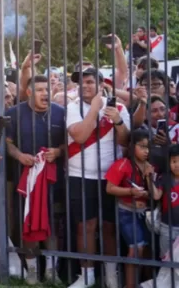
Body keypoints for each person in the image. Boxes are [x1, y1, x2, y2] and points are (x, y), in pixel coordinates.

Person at [66, 66, 130, 288]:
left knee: (109, 226)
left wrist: (118, 121)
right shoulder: (73, 107)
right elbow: (81, 135)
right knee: (86, 226)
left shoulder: (119, 107)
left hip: (112, 178)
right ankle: (87, 276)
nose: (84, 86)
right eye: (80, 82)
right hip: (80, 175)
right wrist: (95, 108)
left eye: (90, 82)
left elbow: (126, 142)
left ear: (101, 84)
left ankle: (111, 276)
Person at [5, 75, 66, 284]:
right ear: (29, 92)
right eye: (39, 90)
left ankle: (51, 270)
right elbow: (7, 143)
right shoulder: (14, 113)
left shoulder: (61, 113)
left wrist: (58, 152)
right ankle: (31, 271)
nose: (45, 94)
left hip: (53, 180)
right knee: (27, 223)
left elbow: (71, 144)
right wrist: (19, 155)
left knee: (53, 224)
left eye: (47, 90)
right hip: (25, 180)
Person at [105, 128, 157, 288]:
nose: (146, 151)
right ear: (131, 146)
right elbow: (110, 188)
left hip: (146, 214)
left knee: (148, 250)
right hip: (126, 212)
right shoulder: (122, 165)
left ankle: (145, 283)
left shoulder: (151, 166)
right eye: (142, 146)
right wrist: (130, 191)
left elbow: (154, 194)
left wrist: (149, 177)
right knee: (136, 249)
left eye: (148, 147)